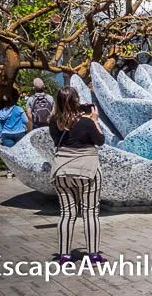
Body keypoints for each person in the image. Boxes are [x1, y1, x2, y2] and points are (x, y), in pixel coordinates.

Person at [49, 87, 105, 264]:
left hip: (62, 170)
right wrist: (95, 120)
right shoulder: (86, 122)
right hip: (87, 170)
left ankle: (64, 255)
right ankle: (93, 254)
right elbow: (100, 141)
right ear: (76, 101)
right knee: (90, 212)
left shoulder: (53, 122)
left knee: (66, 213)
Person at [0, 96, 28, 177]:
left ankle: (9, 171)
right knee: (20, 153)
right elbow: (26, 120)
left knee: (9, 154)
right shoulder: (18, 109)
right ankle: (20, 170)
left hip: (6, 134)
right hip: (20, 133)